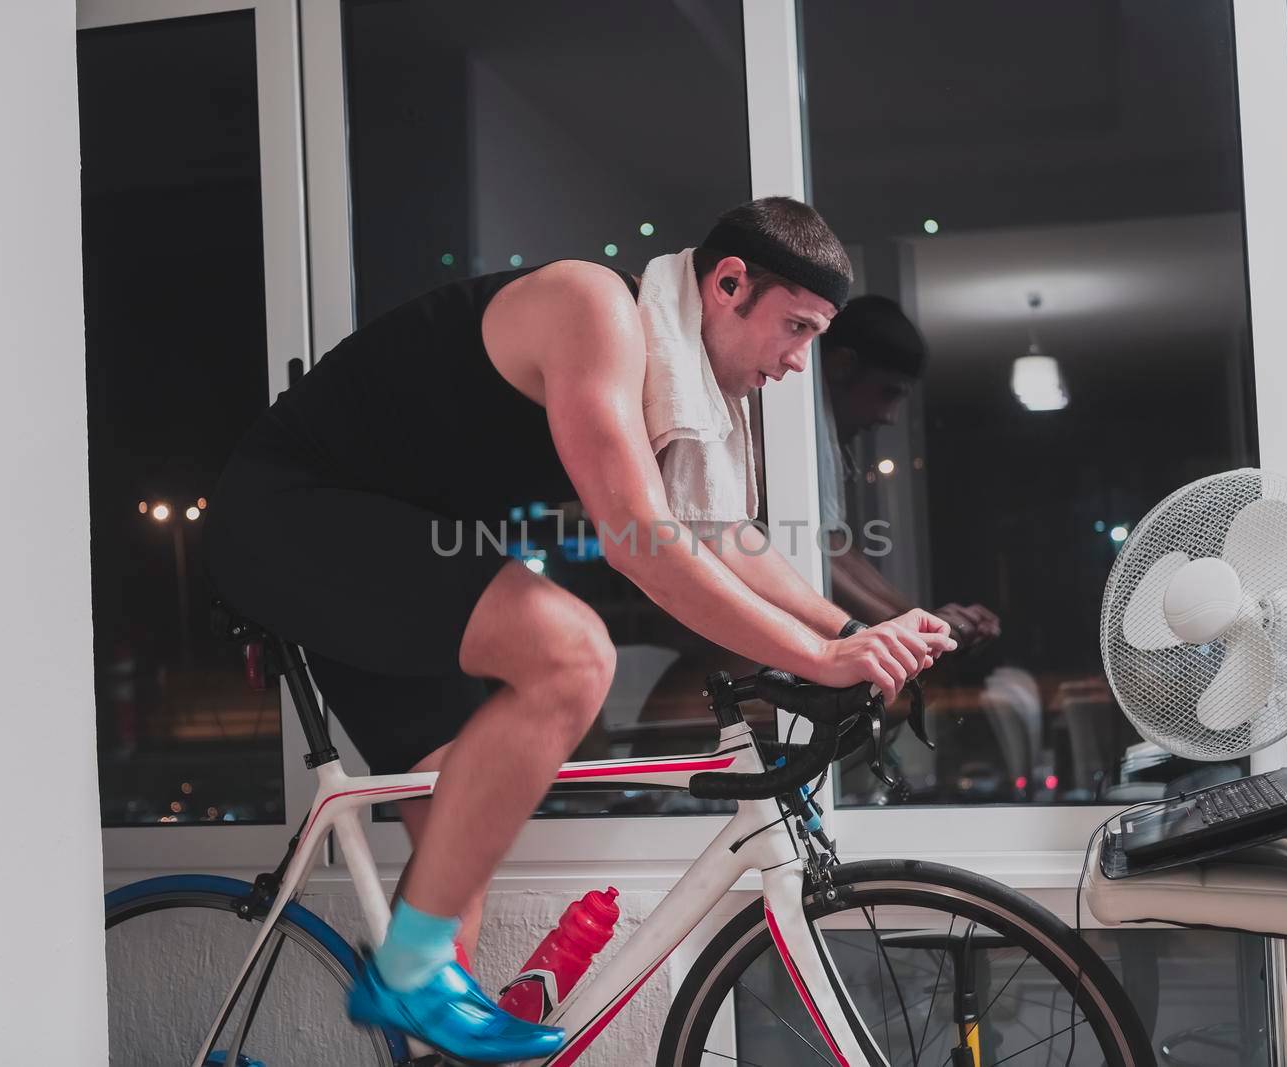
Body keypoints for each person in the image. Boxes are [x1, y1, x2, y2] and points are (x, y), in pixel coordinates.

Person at [204, 198, 957, 1062]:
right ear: (727, 284)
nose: (797, 362)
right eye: (793, 328)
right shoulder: (591, 308)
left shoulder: (684, 381)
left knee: (459, 841)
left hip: (386, 544)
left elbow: (721, 537)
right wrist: (823, 657)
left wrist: (861, 630)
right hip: (294, 514)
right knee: (573, 651)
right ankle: (409, 972)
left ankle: (420, 1002)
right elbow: (644, 542)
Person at [817, 294, 1001, 649]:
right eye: (888, 393)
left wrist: (918, 617)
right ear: (841, 365)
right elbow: (810, 553)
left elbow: (833, 547)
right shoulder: (790, 431)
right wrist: (905, 625)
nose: (890, 416)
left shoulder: (822, 437)